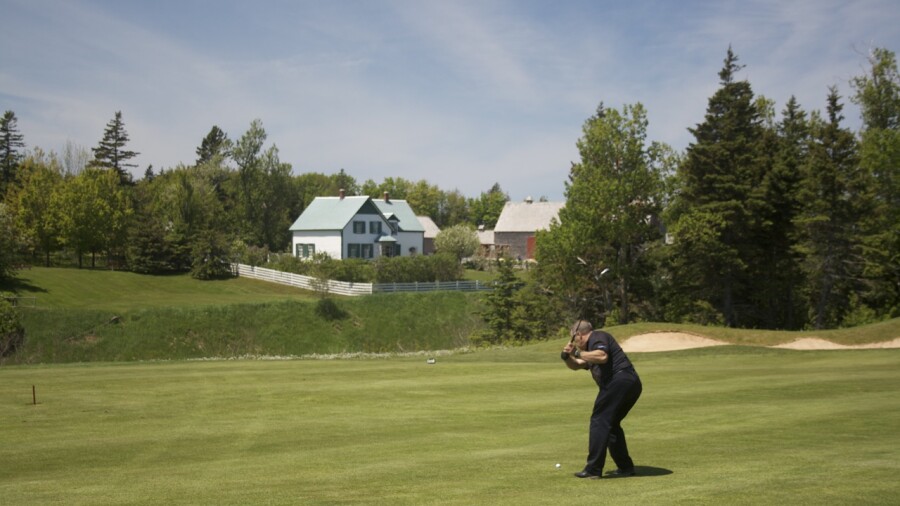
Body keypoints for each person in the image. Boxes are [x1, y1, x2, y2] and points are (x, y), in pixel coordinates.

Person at [561, 320, 642, 479]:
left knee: (599, 420)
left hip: (619, 380)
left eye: (573, 339)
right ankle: (625, 467)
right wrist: (567, 358)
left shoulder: (598, 337)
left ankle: (593, 469)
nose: (575, 343)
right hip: (631, 384)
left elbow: (602, 356)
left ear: (579, 335)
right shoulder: (589, 350)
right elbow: (577, 365)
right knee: (610, 424)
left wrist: (576, 352)